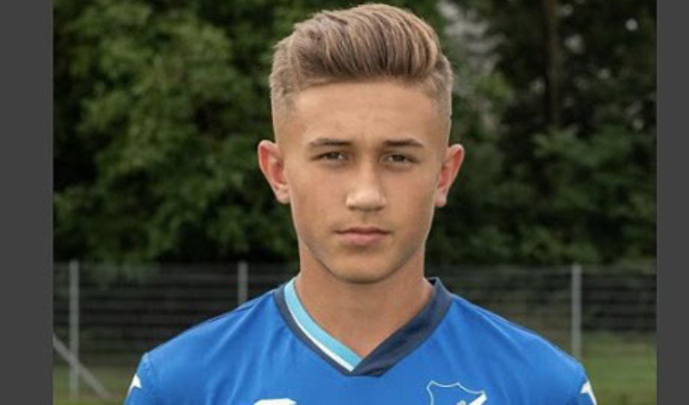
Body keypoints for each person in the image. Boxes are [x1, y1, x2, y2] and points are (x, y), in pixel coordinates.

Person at [125, 3, 598, 404]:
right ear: (278, 171)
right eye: (334, 156)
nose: (366, 195)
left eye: (398, 157)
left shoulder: (545, 388)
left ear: (444, 175)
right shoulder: (180, 385)